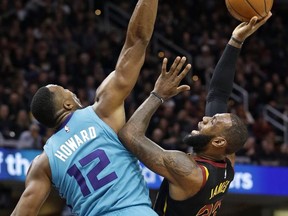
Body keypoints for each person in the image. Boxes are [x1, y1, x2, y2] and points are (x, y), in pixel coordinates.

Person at [11, 0, 159, 215]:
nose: (72, 91)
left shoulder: (43, 164)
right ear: (68, 104)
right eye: (65, 90)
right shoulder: (103, 111)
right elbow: (136, 41)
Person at [118, 13, 272, 216]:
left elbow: (129, 135)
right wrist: (236, 40)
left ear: (218, 142)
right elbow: (218, 94)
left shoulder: (189, 171)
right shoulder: (227, 163)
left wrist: (158, 95)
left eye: (212, 121)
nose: (205, 118)